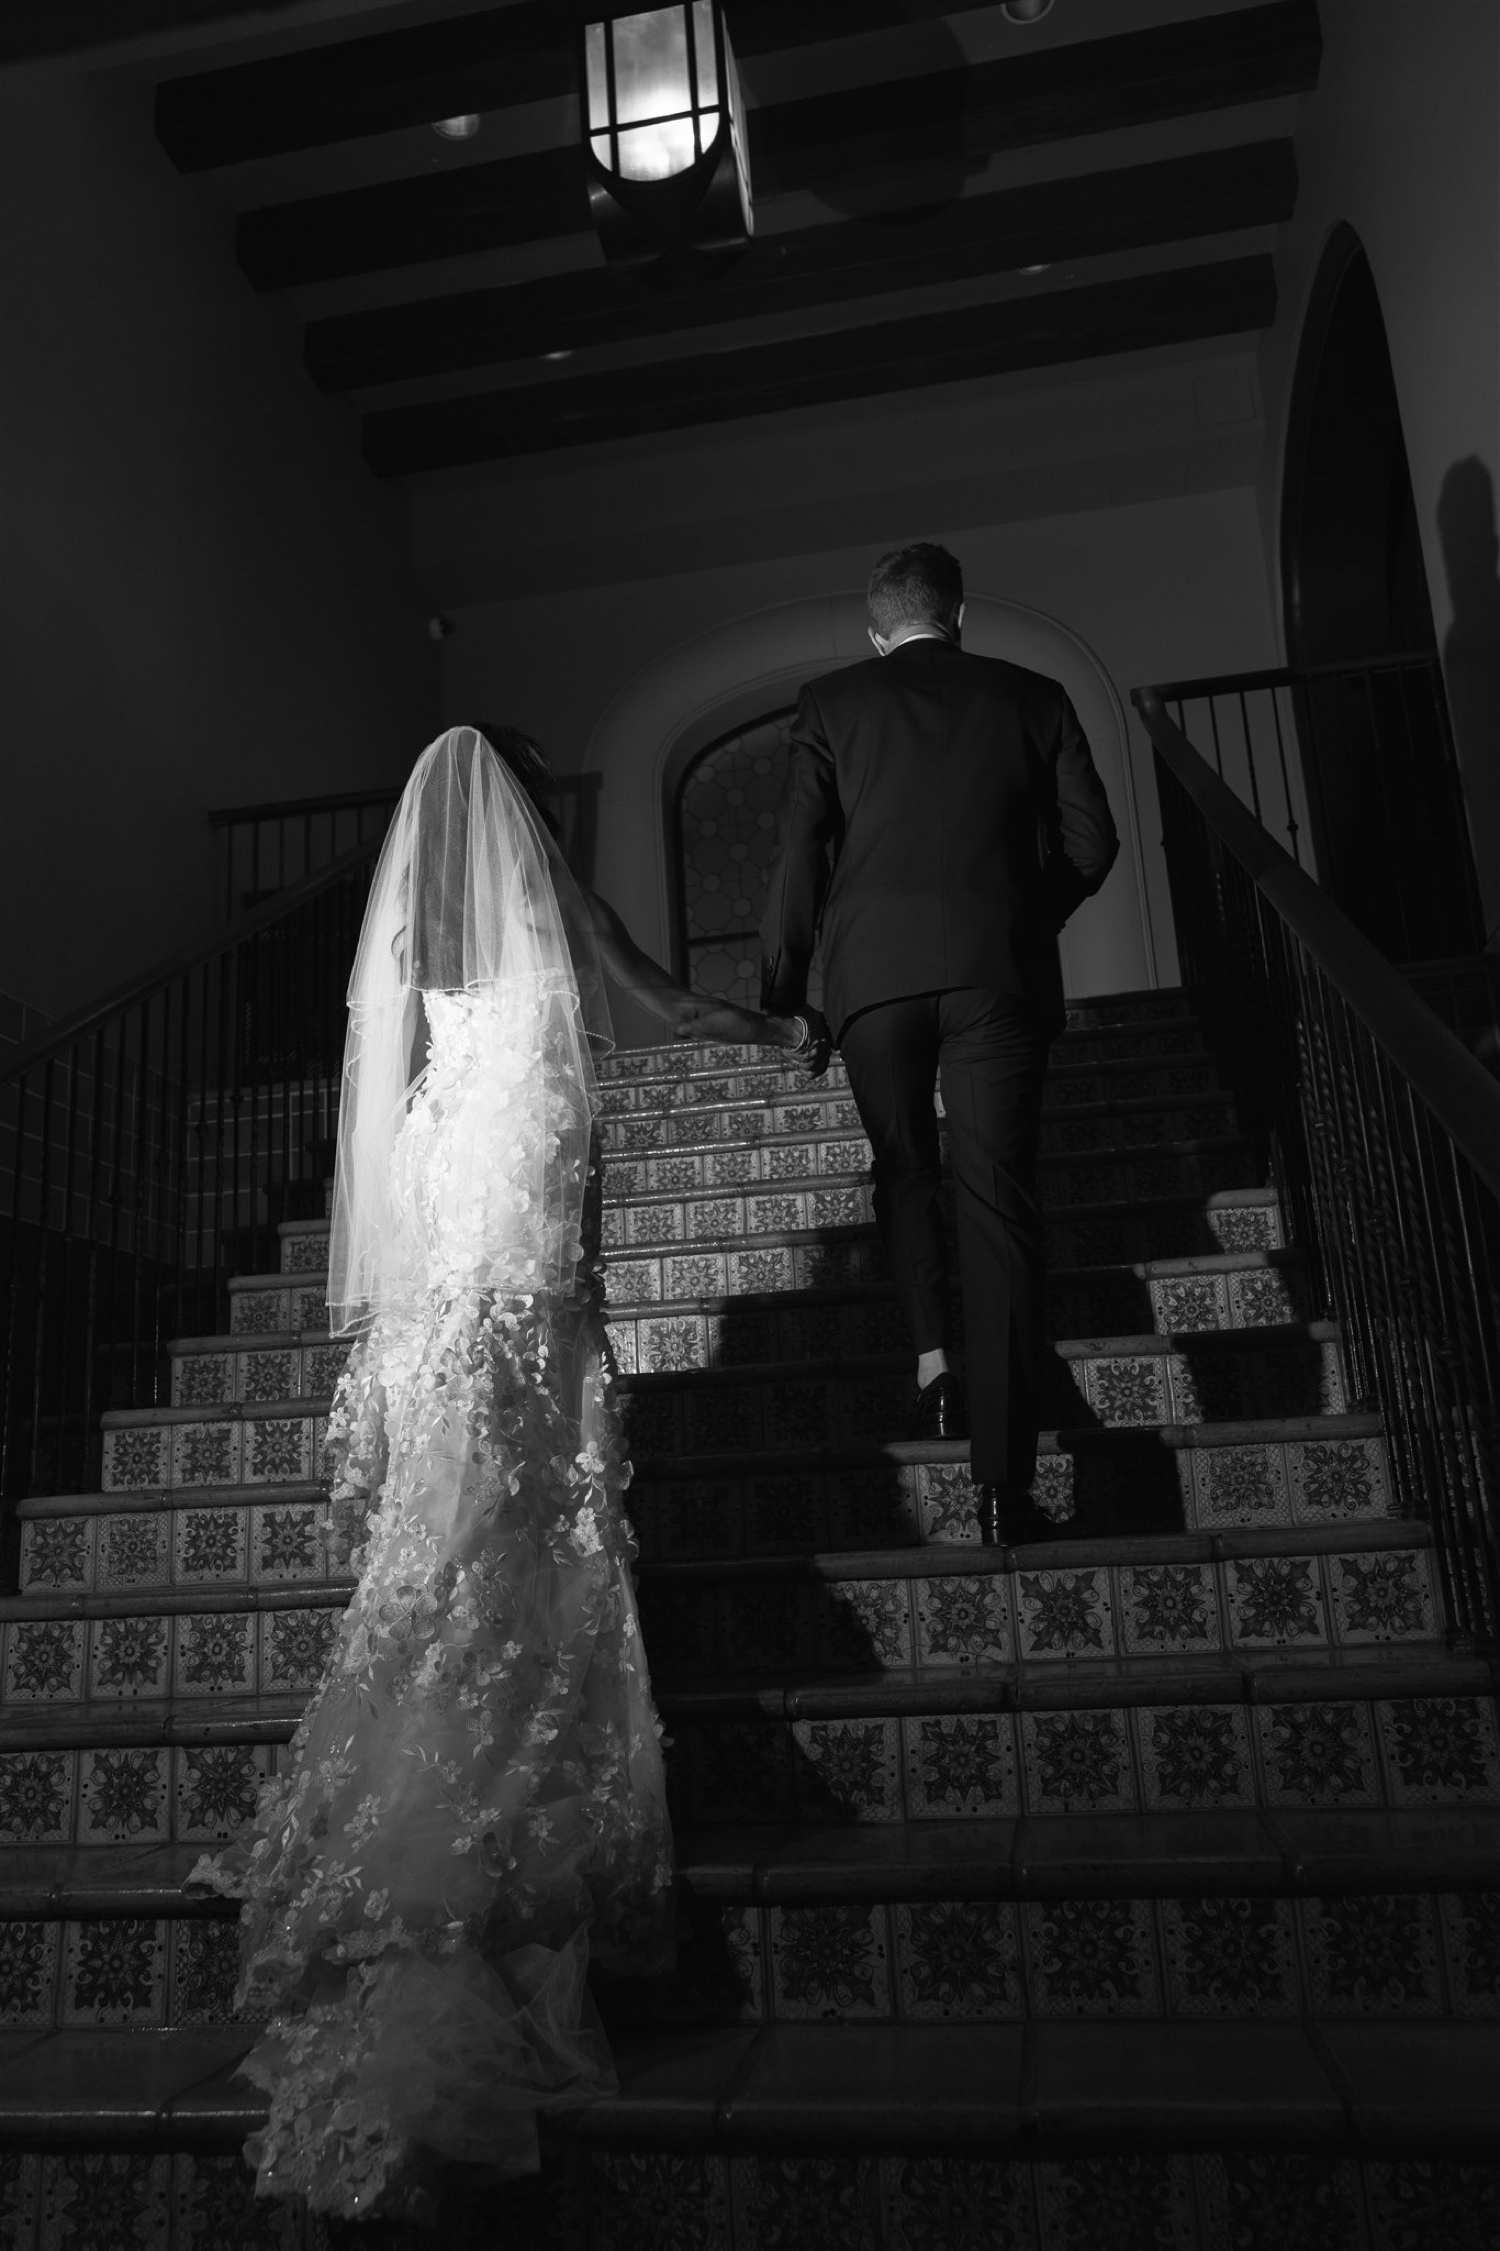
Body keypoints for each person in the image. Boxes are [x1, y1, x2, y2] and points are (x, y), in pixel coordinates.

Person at [189, 726, 820, 2222]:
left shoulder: (415, 925)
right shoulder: (549, 894)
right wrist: (766, 1029)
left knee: (452, 1535)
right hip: (522, 1243)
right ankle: (503, 1825)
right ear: (528, 805)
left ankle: (425, 1800)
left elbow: (385, 1092)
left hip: (444, 1224)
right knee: (522, 1522)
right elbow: (653, 1001)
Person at [760, 544, 1119, 1545]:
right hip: (994, 974)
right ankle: (1005, 1488)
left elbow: (798, 852)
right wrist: (1016, 916)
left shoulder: (831, 701)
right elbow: (1094, 842)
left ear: (880, 630)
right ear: (959, 615)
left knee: (907, 1167)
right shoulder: (1033, 694)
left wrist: (785, 995)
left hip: (871, 980)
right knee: (997, 1202)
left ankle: (935, 1369)